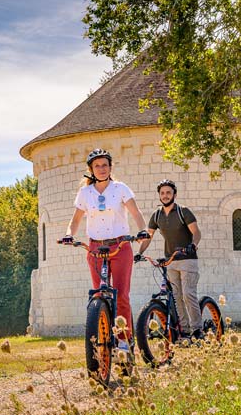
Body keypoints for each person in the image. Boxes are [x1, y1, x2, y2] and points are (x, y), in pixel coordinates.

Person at [63, 148, 148, 356]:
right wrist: (69, 234)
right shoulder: (85, 193)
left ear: (110, 167)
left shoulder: (120, 188)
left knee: (121, 295)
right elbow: (75, 220)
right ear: (91, 169)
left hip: (120, 246)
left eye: (105, 165)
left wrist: (142, 230)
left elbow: (135, 213)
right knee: (98, 293)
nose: (101, 169)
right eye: (97, 166)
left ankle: (124, 341)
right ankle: (100, 333)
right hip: (95, 248)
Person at [139, 179, 204, 340]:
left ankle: (197, 330)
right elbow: (148, 236)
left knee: (188, 294)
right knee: (176, 297)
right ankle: (185, 332)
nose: (165, 195)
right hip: (170, 261)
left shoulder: (183, 211)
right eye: (162, 193)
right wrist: (139, 253)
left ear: (174, 194)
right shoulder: (157, 215)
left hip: (187, 259)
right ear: (159, 196)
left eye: (168, 192)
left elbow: (196, 232)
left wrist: (193, 245)